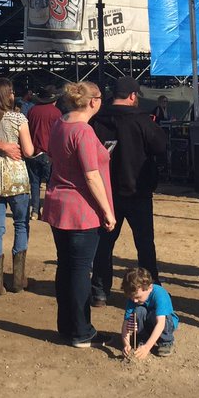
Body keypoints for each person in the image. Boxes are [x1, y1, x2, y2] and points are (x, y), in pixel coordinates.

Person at [43, 81, 116, 348]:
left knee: (66, 268)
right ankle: (81, 330)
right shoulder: (83, 131)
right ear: (93, 102)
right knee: (79, 271)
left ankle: (68, 325)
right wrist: (107, 211)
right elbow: (91, 175)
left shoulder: (60, 123)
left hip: (59, 204)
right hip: (81, 210)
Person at [90, 77, 168, 305]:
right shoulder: (142, 121)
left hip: (106, 193)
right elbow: (161, 146)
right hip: (138, 192)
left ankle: (99, 291)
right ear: (133, 96)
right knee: (145, 244)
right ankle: (149, 290)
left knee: (104, 244)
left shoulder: (97, 120)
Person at [0, 78, 34, 297]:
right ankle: (19, 279)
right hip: (18, 180)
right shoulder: (18, 118)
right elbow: (28, 151)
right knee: (21, 225)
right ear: (7, 95)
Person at [120, 267, 178, 359]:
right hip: (148, 323)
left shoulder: (160, 294)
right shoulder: (134, 297)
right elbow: (126, 323)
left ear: (149, 287)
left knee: (156, 314)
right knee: (138, 311)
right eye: (132, 297)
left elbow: (161, 323)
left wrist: (147, 347)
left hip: (165, 323)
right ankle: (143, 339)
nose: (134, 300)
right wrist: (126, 344)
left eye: (138, 297)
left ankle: (166, 342)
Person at [25, 86, 61, 219]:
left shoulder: (32, 110)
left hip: (33, 152)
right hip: (49, 153)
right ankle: (49, 211)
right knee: (51, 183)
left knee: (34, 183)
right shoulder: (56, 113)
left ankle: (35, 210)